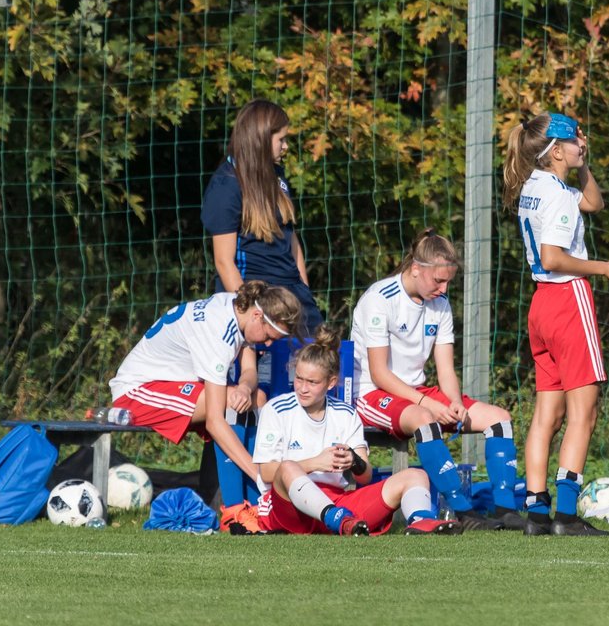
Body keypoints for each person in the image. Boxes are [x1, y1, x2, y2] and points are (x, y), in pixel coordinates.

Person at [503, 111, 609, 536]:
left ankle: (537, 513)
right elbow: (553, 257)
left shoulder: (536, 186)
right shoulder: (558, 194)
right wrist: (607, 268)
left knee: (547, 414)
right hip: (566, 299)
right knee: (585, 412)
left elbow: (594, 202)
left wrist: (584, 163)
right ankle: (566, 514)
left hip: (540, 305)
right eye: (575, 141)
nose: (583, 143)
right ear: (555, 150)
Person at [351, 228, 516, 531]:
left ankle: (506, 510)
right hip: (373, 394)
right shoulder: (379, 299)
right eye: (438, 280)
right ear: (416, 269)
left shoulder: (440, 304)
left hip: (417, 393)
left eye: (448, 281)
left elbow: (445, 370)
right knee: (425, 418)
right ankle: (463, 512)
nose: (443, 289)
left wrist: (453, 402)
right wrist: (427, 402)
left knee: (499, 418)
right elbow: (379, 373)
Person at [254, 325, 461, 536]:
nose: (302, 388)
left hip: (339, 505)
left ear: (331, 382)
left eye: (312, 382)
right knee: (288, 468)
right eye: (299, 378)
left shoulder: (345, 413)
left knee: (416, 476)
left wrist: (354, 461)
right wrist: (316, 462)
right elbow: (268, 473)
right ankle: (339, 520)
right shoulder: (276, 409)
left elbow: (365, 476)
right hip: (289, 509)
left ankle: (421, 522)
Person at [108, 281, 302, 482]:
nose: (268, 344)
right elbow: (214, 421)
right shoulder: (217, 333)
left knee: (256, 398)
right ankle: (241, 500)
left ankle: (237, 497)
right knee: (228, 407)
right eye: (269, 336)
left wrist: (244, 387)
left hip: (171, 385)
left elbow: (250, 370)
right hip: (136, 393)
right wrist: (260, 478)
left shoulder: (238, 307)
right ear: (257, 316)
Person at [201, 99, 323, 333]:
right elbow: (224, 262)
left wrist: (304, 291)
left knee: (322, 359)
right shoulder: (226, 185)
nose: (286, 147)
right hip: (257, 294)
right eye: (281, 140)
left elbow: (290, 237)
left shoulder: (275, 174)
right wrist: (250, 314)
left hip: (293, 292)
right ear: (261, 140)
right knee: (264, 369)